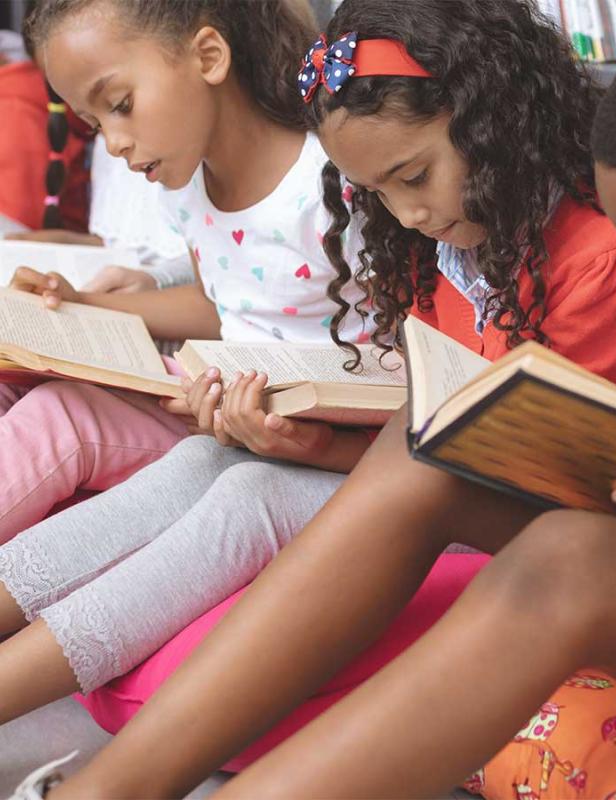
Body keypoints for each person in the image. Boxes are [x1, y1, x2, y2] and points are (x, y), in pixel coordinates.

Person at [20, 2, 616, 797]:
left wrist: (324, 452)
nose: (407, 213)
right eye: (377, 193)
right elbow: (436, 436)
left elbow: (501, 466)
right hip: (451, 494)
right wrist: (312, 443)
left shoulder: (598, 261)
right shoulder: (449, 242)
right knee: (215, 459)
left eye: (412, 178)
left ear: (491, 121)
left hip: (547, 528)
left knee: (252, 490)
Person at [0, 0, 367, 541]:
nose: (115, 142)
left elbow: (403, 349)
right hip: (212, 396)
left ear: (209, 56)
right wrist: (79, 303)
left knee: (60, 419)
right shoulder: (189, 187)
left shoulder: (335, 184)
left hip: (289, 421)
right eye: (94, 123)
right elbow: (213, 306)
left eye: (121, 105)